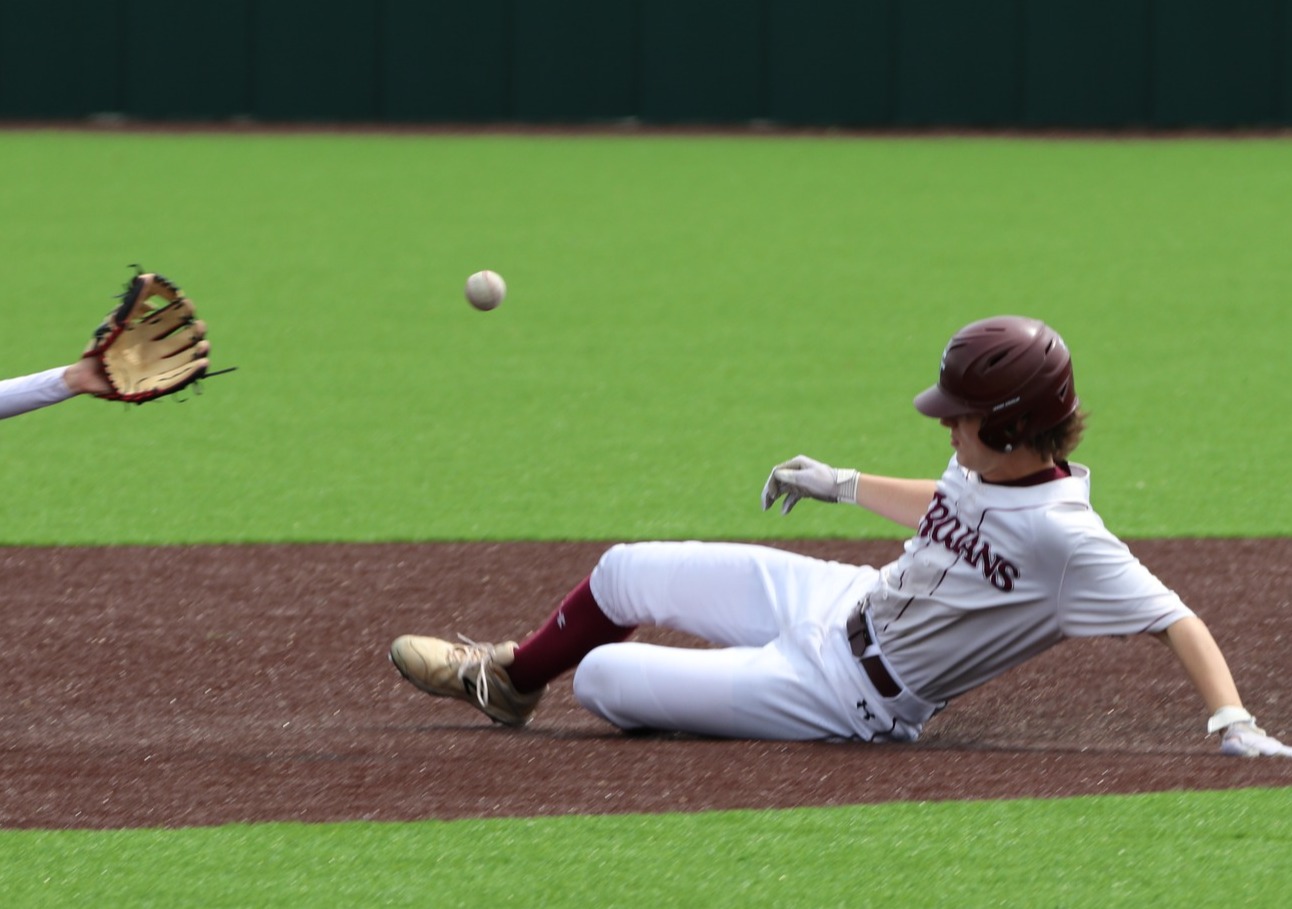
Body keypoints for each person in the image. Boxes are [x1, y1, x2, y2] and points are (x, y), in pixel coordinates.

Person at [389, 315, 1291, 757]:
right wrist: (844, 485)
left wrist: (1231, 719)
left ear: (1013, 429)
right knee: (626, 570)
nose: (948, 428)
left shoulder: (1070, 542)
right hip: (839, 598)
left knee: (603, 677)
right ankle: (506, 679)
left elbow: (1179, 618)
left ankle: (553, 676)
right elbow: (940, 504)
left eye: (963, 417)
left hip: (844, 696)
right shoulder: (991, 467)